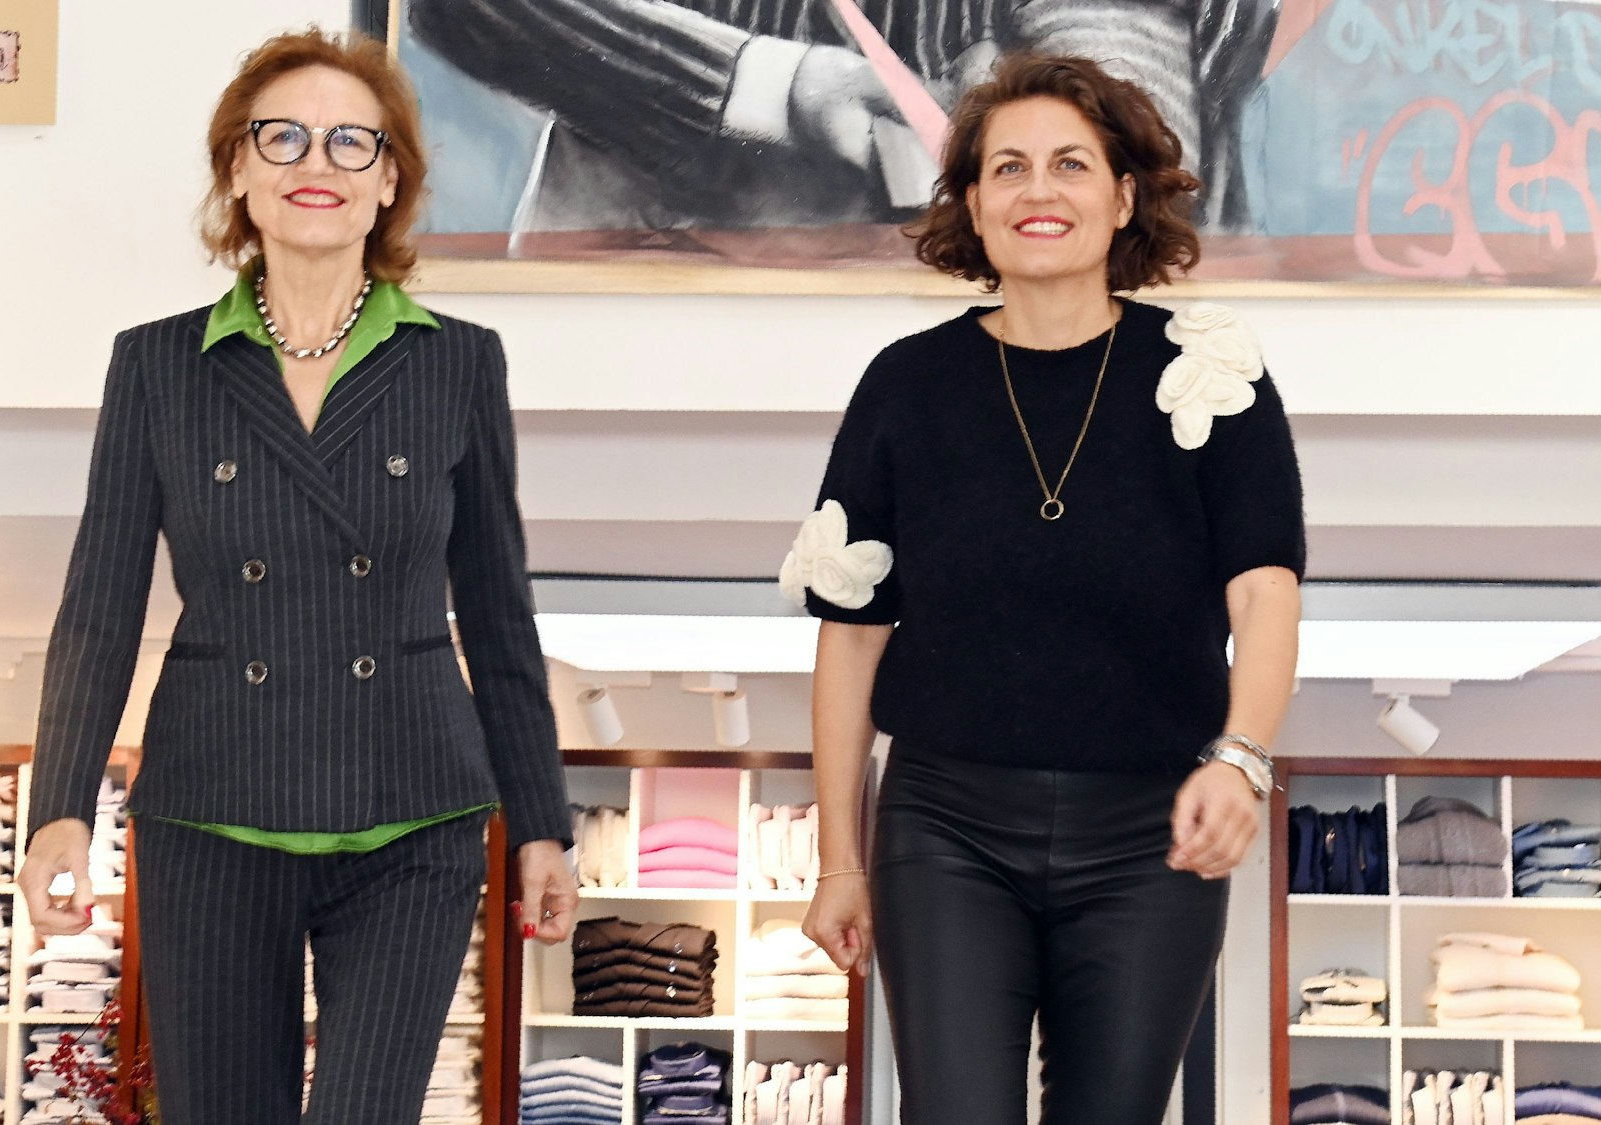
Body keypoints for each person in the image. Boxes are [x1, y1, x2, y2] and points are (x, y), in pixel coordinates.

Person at [15, 28, 577, 1125]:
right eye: (282, 138)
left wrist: (541, 823)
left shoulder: (456, 363)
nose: (313, 163)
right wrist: (58, 810)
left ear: (387, 183)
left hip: (412, 809)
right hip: (213, 806)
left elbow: (500, 616)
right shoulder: (160, 364)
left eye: (348, 142)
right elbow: (98, 604)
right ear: (237, 169)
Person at [785, 54, 1304, 1123]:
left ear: (1122, 197)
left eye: (1070, 164)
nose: (1036, 190)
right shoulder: (906, 385)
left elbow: (1262, 590)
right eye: (1005, 167)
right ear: (970, 206)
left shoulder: (1209, 372)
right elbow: (850, 635)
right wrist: (839, 861)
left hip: (1149, 834)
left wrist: (1241, 759)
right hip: (945, 827)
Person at [406, 0, 1272, 237]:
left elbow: (1129, 64)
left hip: (981, 287)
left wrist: (1052, 116)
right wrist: (775, 82)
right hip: (649, 258)